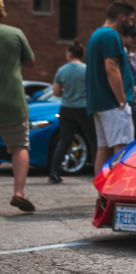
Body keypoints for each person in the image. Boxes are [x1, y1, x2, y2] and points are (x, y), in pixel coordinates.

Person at [86, 0, 136, 173]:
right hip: (114, 103)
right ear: (121, 17)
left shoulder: (96, 35)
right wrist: (122, 100)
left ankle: (102, 195)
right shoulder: (111, 35)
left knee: (104, 148)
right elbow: (111, 69)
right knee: (122, 149)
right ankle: (118, 193)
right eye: (130, 19)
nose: (131, 24)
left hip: (100, 103)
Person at [0, 0, 36, 211]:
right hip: (12, 99)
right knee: (19, 146)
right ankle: (19, 193)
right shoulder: (15, 34)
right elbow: (30, 63)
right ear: (2, 12)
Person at [48, 40, 97, 184]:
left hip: (66, 109)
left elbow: (56, 92)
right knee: (93, 141)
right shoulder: (87, 69)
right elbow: (93, 91)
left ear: (70, 53)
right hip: (84, 109)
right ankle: (97, 172)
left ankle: (54, 173)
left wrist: (68, 93)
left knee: (64, 141)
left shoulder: (62, 70)